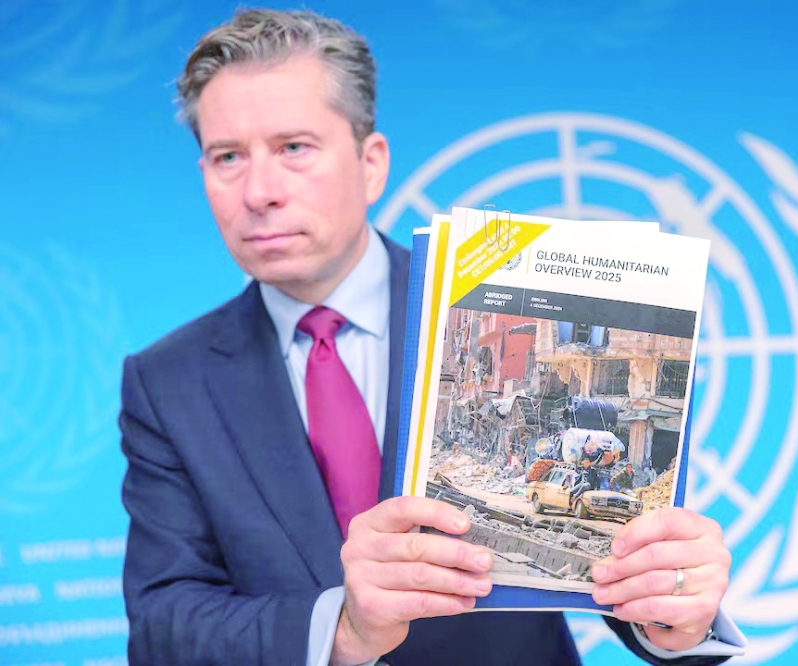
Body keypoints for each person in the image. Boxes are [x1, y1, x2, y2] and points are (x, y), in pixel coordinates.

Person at [119, 8, 742, 666]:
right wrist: (344, 630)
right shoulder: (168, 383)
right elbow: (164, 626)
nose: (261, 191)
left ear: (372, 163)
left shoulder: (489, 307)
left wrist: (674, 614)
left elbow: (606, 558)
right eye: (227, 157)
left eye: (294, 148)